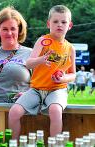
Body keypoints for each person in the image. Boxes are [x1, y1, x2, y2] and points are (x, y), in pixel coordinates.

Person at [9, 5, 76, 139]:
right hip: (36, 89)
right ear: (48, 24)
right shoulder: (43, 41)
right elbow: (28, 63)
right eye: (55, 21)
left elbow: (73, 75)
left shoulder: (70, 49)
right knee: (14, 112)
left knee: (55, 110)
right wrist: (41, 59)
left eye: (64, 22)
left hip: (57, 89)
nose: (59, 25)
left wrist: (63, 79)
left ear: (70, 25)